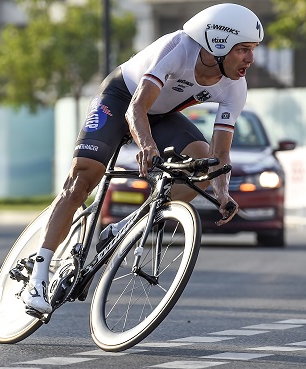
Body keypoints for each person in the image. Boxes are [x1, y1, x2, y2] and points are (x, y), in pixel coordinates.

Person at [22, 3, 264, 314]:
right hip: (121, 98)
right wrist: (146, 145)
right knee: (83, 180)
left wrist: (221, 192)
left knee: (201, 167)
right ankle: (39, 277)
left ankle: (124, 226)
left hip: (160, 116)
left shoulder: (235, 86)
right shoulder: (177, 49)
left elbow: (220, 153)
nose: (251, 59)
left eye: (253, 49)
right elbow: (135, 109)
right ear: (218, 43)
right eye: (243, 49)